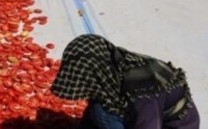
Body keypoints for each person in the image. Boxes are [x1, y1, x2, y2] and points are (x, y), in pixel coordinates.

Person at [51, 34, 200, 129]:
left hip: (174, 125)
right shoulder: (116, 62)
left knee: (104, 112)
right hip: (153, 115)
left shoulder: (143, 89)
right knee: (99, 103)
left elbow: (149, 124)